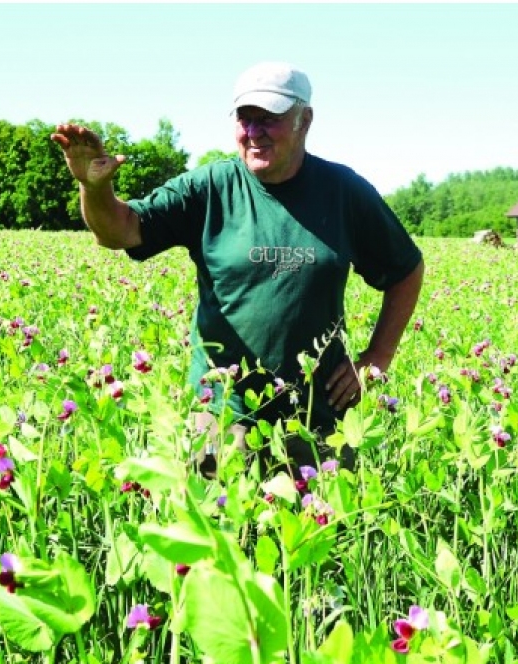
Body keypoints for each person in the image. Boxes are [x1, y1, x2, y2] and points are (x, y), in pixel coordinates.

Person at [51, 61, 424, 479]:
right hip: (222, 407)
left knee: (319, 534)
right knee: (218, 528)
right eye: (245, 119)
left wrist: (377, 356)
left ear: (305, 120)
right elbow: (120, 230)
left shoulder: (343, 191)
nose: (253, 131)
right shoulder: (208, 188)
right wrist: (94, 187)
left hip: (318, 410)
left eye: (269, 119)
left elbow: (406, 270)